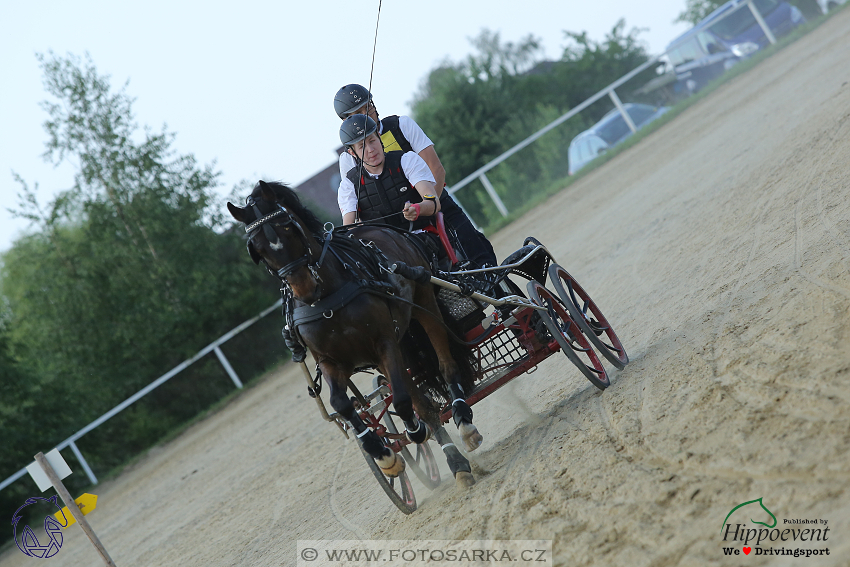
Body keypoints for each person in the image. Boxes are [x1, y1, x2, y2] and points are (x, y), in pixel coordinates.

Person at [333, 84, 497, 268]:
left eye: (367, 107)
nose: (366, 114)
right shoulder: (347, 159)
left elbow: (436, 169)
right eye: (358, 113)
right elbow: (359, 199)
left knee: (476, 252)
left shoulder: (402, 126)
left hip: (433, 206)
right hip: (391, 231)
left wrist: (427, 209)